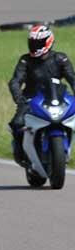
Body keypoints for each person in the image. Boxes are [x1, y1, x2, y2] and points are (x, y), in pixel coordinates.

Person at [8, 24, 75, 164]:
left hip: (57, 98)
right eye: (32, 42)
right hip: (30, 100)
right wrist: (19, 98)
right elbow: (15, 81)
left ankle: (65, 149)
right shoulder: (25, 60)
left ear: (48, 41)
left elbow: (72, 79)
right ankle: (21, 154)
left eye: (37, 43)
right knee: (17, 123)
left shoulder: (60, 59)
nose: (34, 45)